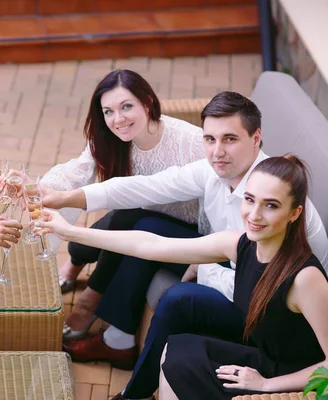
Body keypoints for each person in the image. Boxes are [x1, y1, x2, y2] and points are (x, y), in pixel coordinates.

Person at [42, 91, 328, 397]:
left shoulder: (293, 245)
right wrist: (67, 216)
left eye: (230, 139)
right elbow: (146, 217)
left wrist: (202, 266)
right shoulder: (237, 228)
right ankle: (121, 347)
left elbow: (265, 290)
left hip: (276, 325)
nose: (217, 151)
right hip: (239, 273)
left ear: (256, 138)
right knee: (140, 220)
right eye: (209, 139)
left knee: (180, 299)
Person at [38, 69, 207, 341]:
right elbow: (76, 172)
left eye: (127, 106)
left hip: (189, 228)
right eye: (108, 111)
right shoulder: (110, 138)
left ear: (148, 102)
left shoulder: (191, 143)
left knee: (127, 219)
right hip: (139, 217)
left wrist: (206, 255)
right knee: (120, 220)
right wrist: (37, 187)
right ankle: (74, 264)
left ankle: (87, 300)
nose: (118, 120)